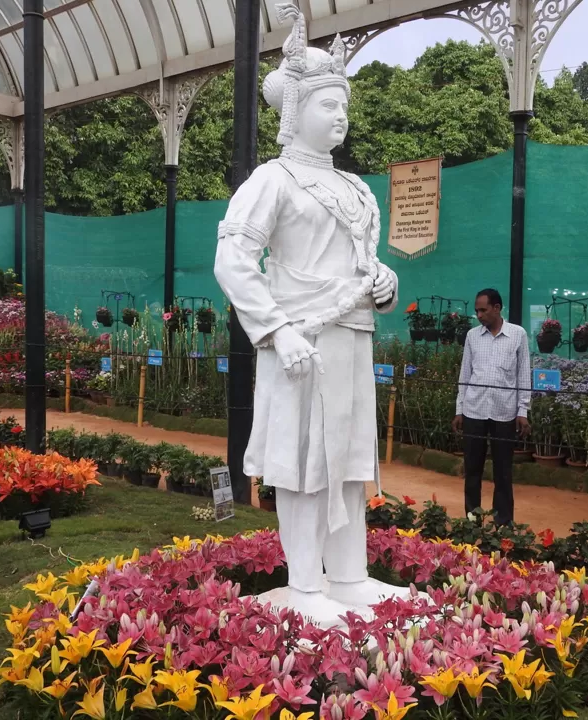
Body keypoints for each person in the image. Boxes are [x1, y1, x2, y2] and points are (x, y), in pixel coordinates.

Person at [214, 3, 406, 620]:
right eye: (329, 104)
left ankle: (349, 575)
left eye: (345, 105)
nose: (342, 115)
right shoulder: (271, 180)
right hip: (300, 344)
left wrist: (385, 282)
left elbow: (363, 262)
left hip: (352, 338)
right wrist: (275, 330)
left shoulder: (356, 189)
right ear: (296, 112)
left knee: (350, 459)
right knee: (301, 465)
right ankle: (304, 585)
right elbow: (233, 260)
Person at [452, 288, 531, 525]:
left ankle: (503, 524)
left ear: (497, 308)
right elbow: (465, 373)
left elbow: (523, 375)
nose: (479, 315)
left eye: (483, 310)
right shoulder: (472, 336)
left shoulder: (518, 334)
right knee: (472, 470)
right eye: (476, 310)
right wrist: (459, 409)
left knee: (503, 473)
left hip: (504, 413)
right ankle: (471, 521)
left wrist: (522, 411)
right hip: (474, 410)